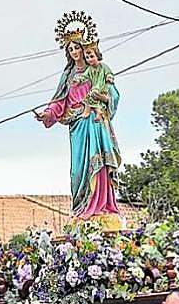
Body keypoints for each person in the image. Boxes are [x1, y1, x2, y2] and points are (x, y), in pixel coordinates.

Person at [35, 33, 123, 220]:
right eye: (70, 49)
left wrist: (102, 98)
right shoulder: (68, 75)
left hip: (97, 122)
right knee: (77, 171)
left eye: (77, 47)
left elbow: (113, 94)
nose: (74, 52)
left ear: (85, 49)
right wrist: (47, 113)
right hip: (77, 123)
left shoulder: (98, 70)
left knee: (99, 163)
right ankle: (81, 209)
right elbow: (60, 101)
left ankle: (102, 207)